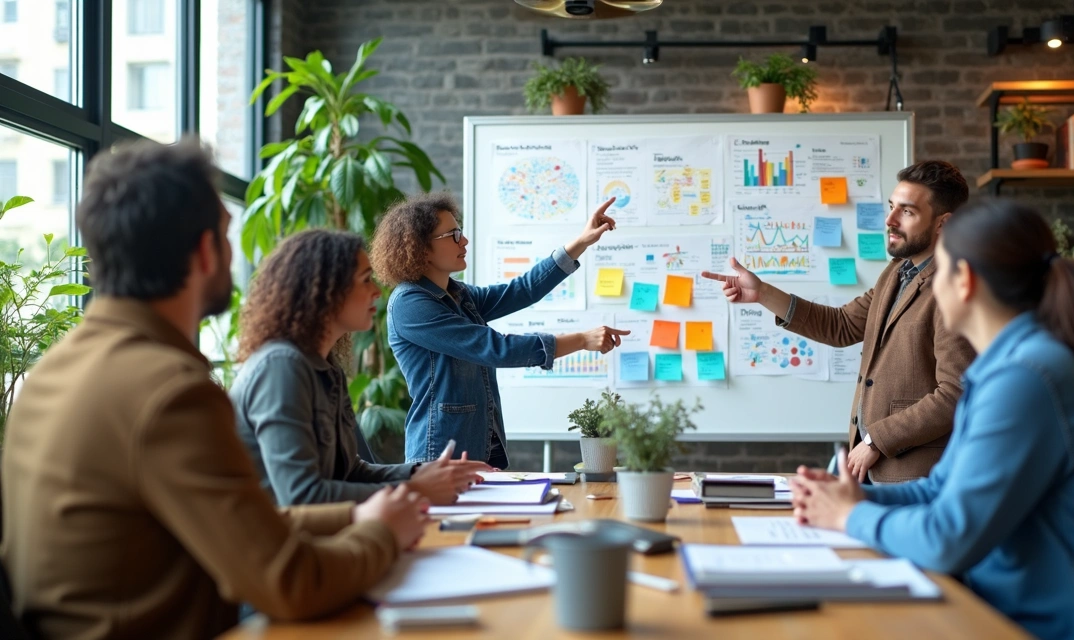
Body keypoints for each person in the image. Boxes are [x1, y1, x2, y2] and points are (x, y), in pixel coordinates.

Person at [0, 139, 429, 640]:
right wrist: (380, 532)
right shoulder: (168, 392)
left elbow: (252, 526)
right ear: (206, 250)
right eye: (228, 236)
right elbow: (289, 583)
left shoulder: (55, 369)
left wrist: (366, 512)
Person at [790, 200, 1074, 640]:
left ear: (963, 281)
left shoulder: (1027, 379)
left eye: (937, 271)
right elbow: (937, 490)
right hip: (1008, 610)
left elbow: (948, 540)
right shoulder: (1004, 370)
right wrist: (853, 500)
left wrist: (848, 518)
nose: (928, 285)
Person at [701, 160, 975, 483]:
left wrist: (876, 439)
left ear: (944, 224)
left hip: (918, 476)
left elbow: (955, 393)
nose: (889, 220)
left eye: (907, 212)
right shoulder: (896, 273)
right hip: (876, 471)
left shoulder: (953, 287)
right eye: (891, 207)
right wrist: (762, 294)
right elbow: (842, 325)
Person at [230, 229, 492, 507]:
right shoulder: (281, 368)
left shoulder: (325, 366)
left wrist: (423, 471)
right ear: (326, 290)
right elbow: (301, 497)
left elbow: (352, 471)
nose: (377, 292)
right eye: (366, 280)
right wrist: (417, 488)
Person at [370, 193, 627, 468]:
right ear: (421, 248)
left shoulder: (458, 293)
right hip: (440, 455)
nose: (464, 241)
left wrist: (581, 242)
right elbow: (496, 349)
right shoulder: (410, 304)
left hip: (480, 446)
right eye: (453, 235)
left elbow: (523, 290)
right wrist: (582, 340)